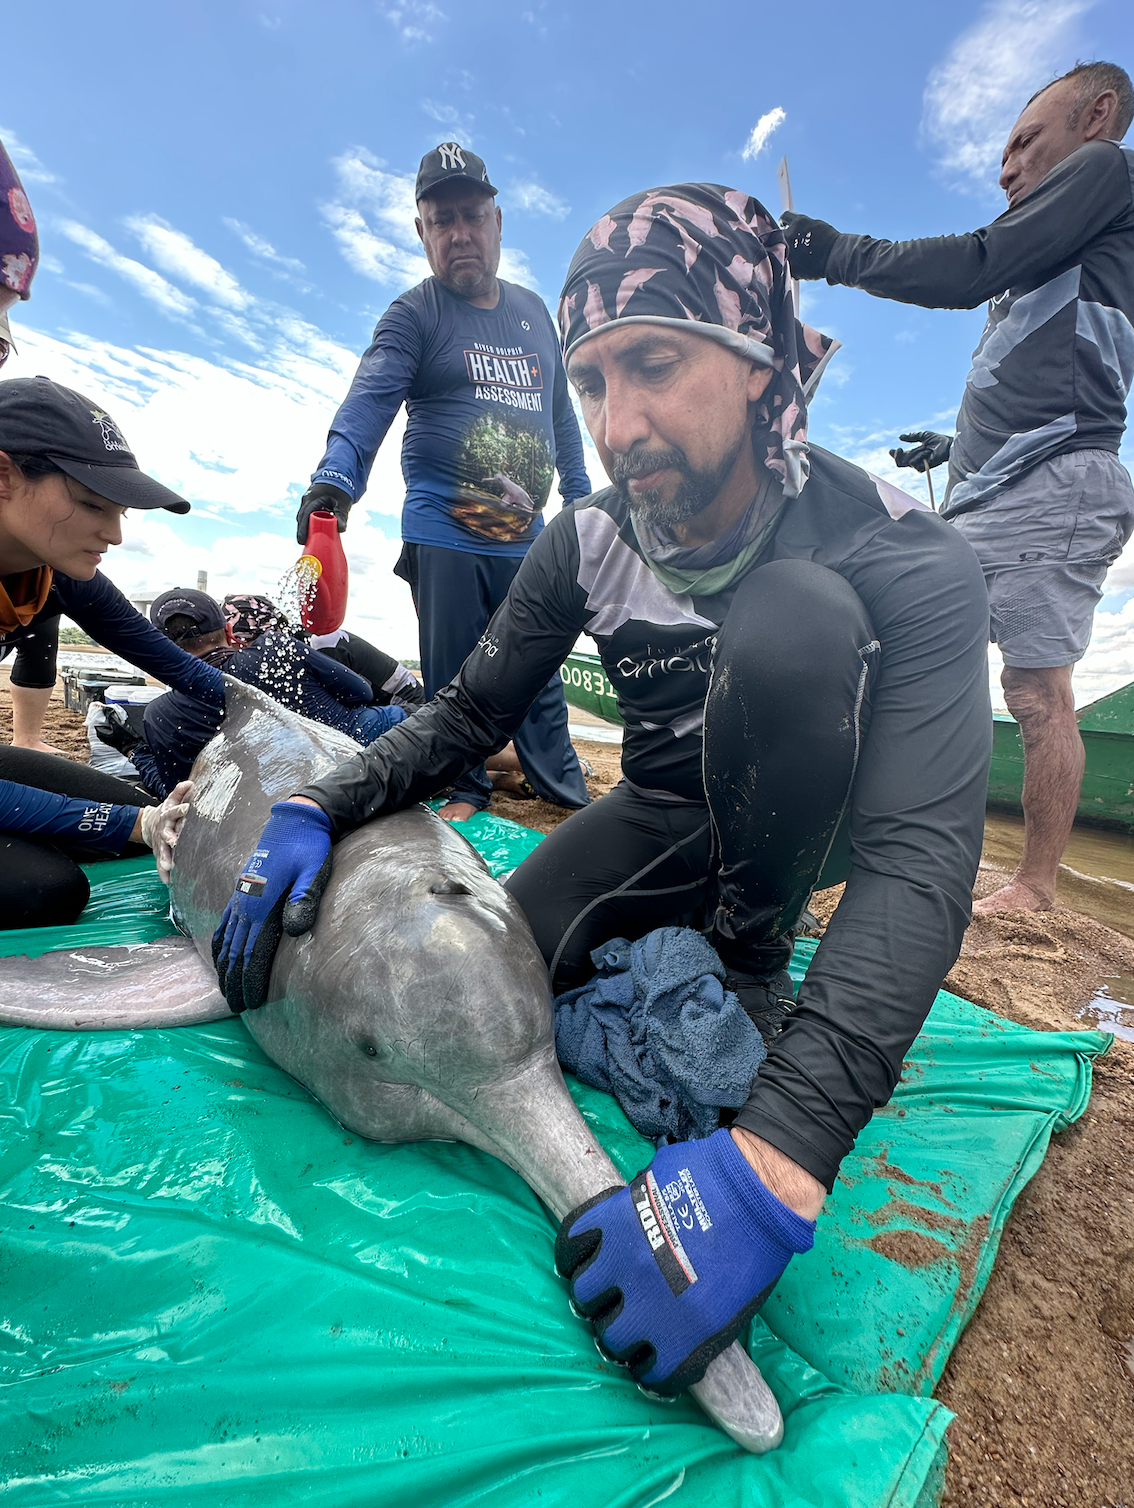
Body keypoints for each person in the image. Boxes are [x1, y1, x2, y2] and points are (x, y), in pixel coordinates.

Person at [214, 183, 991, 1400]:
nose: (619, 424)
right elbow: (470, 709)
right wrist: (326, 800)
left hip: (822, 816)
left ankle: (748, 944)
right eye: (590, 383)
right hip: (672, 798)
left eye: (655, 365)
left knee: (792, 626)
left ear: (757, 365)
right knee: (500, 971)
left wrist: (779, 1157)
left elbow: (922, 861)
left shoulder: (907, 552)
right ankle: (693, 915)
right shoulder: (583, 535)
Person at [780, 60, 1134, 916]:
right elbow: (1048, 360)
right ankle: (900, 835)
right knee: (902, 638)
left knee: (1035, 689)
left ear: (1099, 115)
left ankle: (1037, 887)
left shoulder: (1104, 169)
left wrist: (832, 254)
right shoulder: (1067, 233)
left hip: (1056, 481)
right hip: (1004, 482)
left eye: (1022, 141)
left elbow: (974, 265)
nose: (1005, 166)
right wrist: (952, 443)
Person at [294, 141, 592, 821]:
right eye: (442, 220)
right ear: (422, 231)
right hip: (445, 532)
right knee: (460, 675)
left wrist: (580, 499)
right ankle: (466, 789)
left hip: (531, 540)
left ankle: (565, 793)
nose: (459, 233)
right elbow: (368, 399)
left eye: (470, 216)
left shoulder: (532, 313)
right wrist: (334, 481)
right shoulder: (415, 314)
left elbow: (560, 414)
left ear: (496, 221)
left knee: (540, 675)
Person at [0, 375, 225, 925]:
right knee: (48, 889)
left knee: (146, 815)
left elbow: (172, 663)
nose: (115, 534)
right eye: (91, 504)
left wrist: (274, 711)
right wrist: (128, 825)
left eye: (119, 511)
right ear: (3, 475)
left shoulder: (49, 568)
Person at [115, 589, 408, 796]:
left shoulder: (161, 714)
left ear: (160, 650)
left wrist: (134, 750)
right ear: (229, 632)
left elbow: (179, 795)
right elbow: (362, 692)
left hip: (282, 792)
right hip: (373, 751)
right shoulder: (276, 647)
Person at [221, 592, 426, 712]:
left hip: (408, 707)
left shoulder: (319, 643)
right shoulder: (290, 644)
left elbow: (354, 700)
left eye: (237, 645)